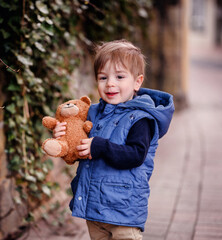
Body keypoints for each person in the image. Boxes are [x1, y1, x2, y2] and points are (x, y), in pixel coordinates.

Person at [53, 39, 174, 240]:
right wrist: (62, 138)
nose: (110, 83)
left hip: (123, 211)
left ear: (137, 82)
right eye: (103, 77)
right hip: (94, 209)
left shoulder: (140, 118)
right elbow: (77, 146)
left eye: (119, 77)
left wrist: (100, 146)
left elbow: (135, 156)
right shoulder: (92, 114)